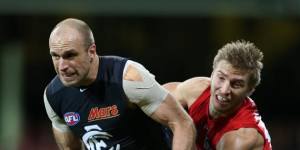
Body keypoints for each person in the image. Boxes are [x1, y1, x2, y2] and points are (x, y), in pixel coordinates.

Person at [43, 18, 196, 150]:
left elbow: (182, 124)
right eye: (55, 56)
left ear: (91, 51)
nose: (62, 66)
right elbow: (70, 147)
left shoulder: (128, 78)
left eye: (70, 55)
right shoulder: (54, 96)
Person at [163, 40, 272, 150]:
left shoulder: (241, 137)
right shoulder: (196, 89)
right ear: (212, 74)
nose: (224, 90)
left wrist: (183, 127)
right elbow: (154, 99)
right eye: (221, 78)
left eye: (236, 84)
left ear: (249, 91)